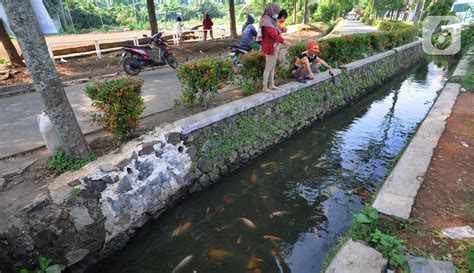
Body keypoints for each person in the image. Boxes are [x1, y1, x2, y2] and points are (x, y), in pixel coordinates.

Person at [259, 3, 292, 92]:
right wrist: (285, 42)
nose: (277, 14)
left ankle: (271, 84)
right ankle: (264, 87)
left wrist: (282, 30)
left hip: (275, 46)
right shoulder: (266, 21)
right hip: (270, 47)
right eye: (277, 12)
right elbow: (273, 34)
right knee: (268, 67)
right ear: (272, 11)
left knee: (272, 66)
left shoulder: (271, 19)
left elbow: (276, 30)